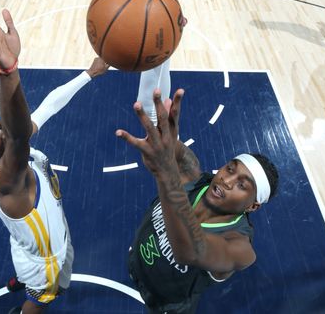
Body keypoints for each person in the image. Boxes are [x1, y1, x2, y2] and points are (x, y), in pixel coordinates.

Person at [0, 0, 109, 313]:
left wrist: (88, 74)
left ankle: (19, 278)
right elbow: (17, 132)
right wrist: (8, 71)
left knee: (25, 243)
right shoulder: (7, 176)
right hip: (46, 266)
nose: (0, 129)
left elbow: (46, 108)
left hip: (29, 244)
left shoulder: (8, 157)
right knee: (42, 300)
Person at [119, 87, 279, 313]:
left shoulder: (240, 247)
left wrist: (166, 175)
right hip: (137, 262)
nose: (226, 180)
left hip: (166, 305)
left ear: (253, 205)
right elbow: (163, 150)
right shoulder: (192, 174)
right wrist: (165, 140)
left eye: (242, 185)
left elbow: (191, 250)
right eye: (230, 169)